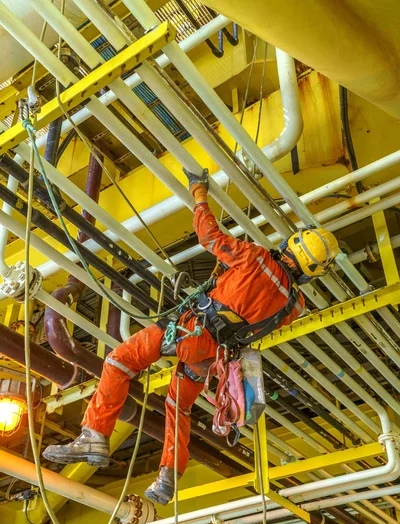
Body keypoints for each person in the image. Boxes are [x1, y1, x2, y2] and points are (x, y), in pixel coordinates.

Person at [43, 168, 339, 505]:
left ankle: (94, 435)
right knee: (177, 406)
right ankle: (168, 476)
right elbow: (252, 310)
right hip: (214, 359)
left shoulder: (256, 258)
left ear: (291, 245)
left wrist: (199, 191)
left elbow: (209, 236)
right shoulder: (294, 305)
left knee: (120, 360)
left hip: (192, 333)